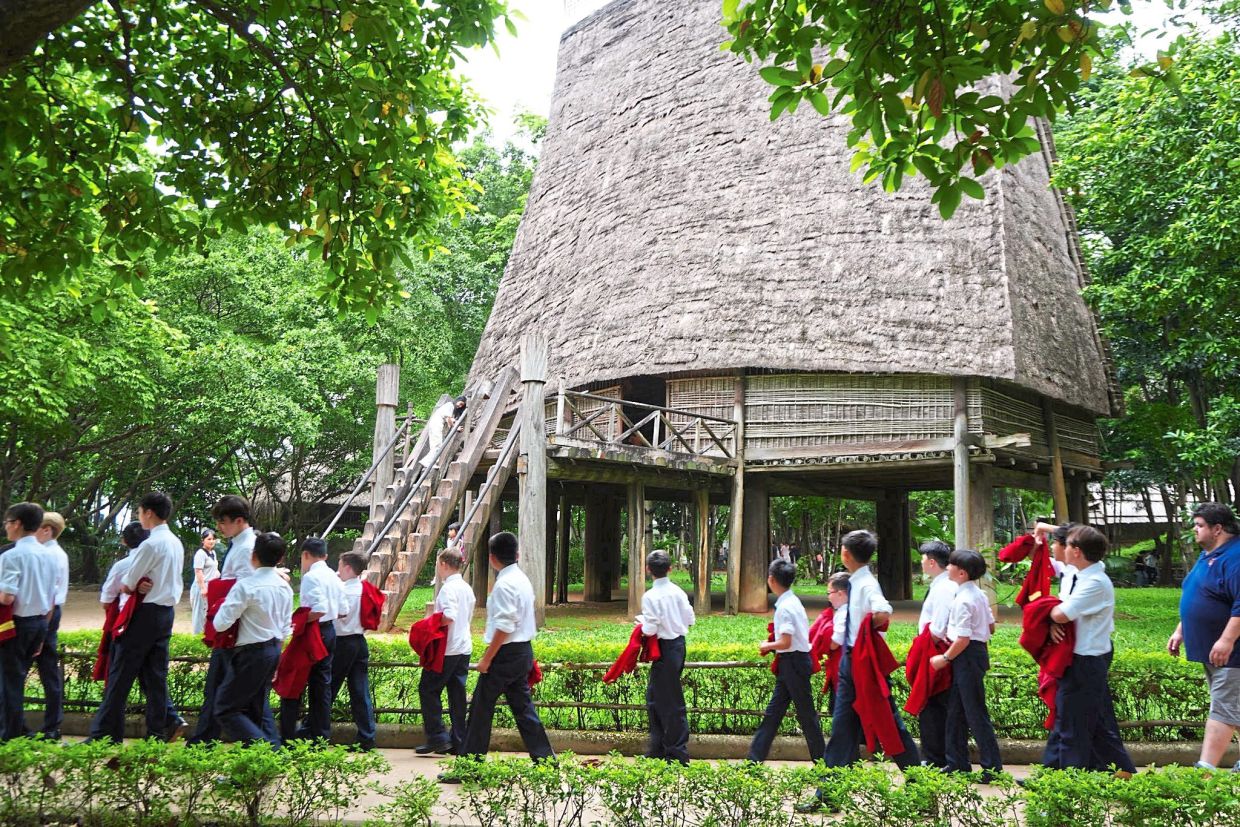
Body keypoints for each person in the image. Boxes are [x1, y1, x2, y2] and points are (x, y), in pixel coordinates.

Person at [443, 532, 553, 780]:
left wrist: (487, 659)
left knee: (480, 710)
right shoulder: (522, 579)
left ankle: (469, 768)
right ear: (517, 555)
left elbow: (505, 626)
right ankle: (546, 762)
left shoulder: (504, 584)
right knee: (523, 709)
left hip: (505, 654)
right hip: (522, 651)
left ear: (492, 558)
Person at [87, 492, 185, 743]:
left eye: (140, 512)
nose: (139, 517)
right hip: (165, 613)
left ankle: (105, 734)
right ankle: (155, 734)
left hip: (143, 615)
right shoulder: (175, 542)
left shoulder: (150, 544)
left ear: (148, 512)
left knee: (120, 675)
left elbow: (128, 584)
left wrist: (131, 586)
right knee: (155, 677)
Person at [823, 530, 920, 767]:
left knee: (888, 719)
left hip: (862, 660)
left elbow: (883, 611)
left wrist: (866, 631)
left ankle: (919, 782)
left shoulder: (866, 584)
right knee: (842, 726)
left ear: (845, 553)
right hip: (851, 659)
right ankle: (827, 791)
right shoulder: (856, 581)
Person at [1043, 525, 1135, 774]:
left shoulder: (1095, 582)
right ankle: (1054, 772)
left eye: (1067, 543)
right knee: (1083, 719)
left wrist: (1045, 612)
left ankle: (1070, 784)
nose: (1060, 546)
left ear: (1077, 551)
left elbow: (1061, 614)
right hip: (1077, 657)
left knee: (1075, 725)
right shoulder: (1077, 572)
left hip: (1086, 660)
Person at [1168, 503, 1240, 770]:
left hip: (1233, 652)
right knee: (1233, 706)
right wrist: (1181, 629)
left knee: (1222, 708)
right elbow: (1200, 593)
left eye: (1199, 525)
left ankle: (1205, 768)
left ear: (1217, 528)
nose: (1194, 530)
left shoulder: (1235, 557)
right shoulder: (1209, 554)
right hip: (1210, 649)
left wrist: (1227, 639)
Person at [188, 495, 258, 745]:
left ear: (239, 521)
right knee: (225, 692)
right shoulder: (240, 544)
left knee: (222, 694)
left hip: (235, 629)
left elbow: (246, 590)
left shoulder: (246, 548)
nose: (219, 527)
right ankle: (204, 740)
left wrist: (222, 619)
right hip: (233, 629)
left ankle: (204, 742)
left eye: (223, 522)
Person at [212, 532, 293, 747]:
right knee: (257, 707)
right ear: (280, 559)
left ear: (253, 556)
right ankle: (265, 760)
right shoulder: (284, 587)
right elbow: (286, 626)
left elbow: (220, 623)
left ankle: (267, 752)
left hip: (251, 653)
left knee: (225, 708)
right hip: (273, 649)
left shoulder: (246, 586)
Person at [931, 549, 1002, 779]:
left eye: (951, 564)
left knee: (975, 713)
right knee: (957, 711)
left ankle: (992, 768)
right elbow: (990, 627)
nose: (947, 567)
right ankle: (956, 762)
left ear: (961, 573)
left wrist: (945, 658)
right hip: (975, 654)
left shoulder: (963, 599)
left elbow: (962, 638)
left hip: (966, 655)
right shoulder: (979, 594)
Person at [747, 558, 824, 764]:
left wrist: (767, 645)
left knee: (806, 718)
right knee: (773, 715)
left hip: (793, 662)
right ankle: (753, 761)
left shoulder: (784, 607)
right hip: (792, 663)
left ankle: (825, 767)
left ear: (771, 580)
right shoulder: (792, 601)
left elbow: (786, 641)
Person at [0, 502, 60, 740]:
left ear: (17, 524)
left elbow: (6, 597)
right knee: (14, 680)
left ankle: (9, 738)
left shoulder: (12, 556)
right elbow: (52, 599)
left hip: (15, 625)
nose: (6, 528)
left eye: (7, 523)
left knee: (9, 684)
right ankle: (15, 732)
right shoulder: (49, 555)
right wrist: (43, 631)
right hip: (40, 623)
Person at [280, 537, 344, 742]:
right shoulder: (335, 576)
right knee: (322, 685)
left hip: (314, 631)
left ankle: (290, 735)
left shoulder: (311, 576)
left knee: (295, 681)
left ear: (306, 555)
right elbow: (343, 610)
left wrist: (299, 620)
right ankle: (320, 735)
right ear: (325, 555)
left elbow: (318, 609)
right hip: (330, 630)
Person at [638, 549, 696, 764]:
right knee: (654, 696)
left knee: (671, 701)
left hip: (664, 648)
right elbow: (690, 619)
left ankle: (677, 752)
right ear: (670, 569)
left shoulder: (650, 596)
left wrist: (641, 627)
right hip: (678, 646)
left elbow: (651, 629)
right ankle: (658, 747)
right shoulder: (678, 592)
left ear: (647, 570)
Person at [417, 547, 476, 755]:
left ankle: (437, 736)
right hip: (463, 646)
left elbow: (449, 615)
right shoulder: (466, 588)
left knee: (427, 689)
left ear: (443, 564)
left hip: (448, 649)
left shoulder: (448, 589)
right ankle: (458, 740)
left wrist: (430, 623)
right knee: (456, 695)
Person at [913, 539, 956, 769]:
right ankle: (936, 756)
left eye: (922, 560)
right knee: (936, 707)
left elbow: (938, 628)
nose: (920, 564)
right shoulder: (942, 585)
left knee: (933, 707)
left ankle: (934, 758)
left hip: (936, 650)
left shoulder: (943, 588)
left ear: (931, 562)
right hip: (934, 648)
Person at [331, 552, 378, 750]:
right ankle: (367, 736)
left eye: (340, 566)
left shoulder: (342, 590)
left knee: (329, 688)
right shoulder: (364, 588)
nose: (338, 570)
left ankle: (314, 729)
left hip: (343, 642)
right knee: (360, 690)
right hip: (359, 641)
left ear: (348, 568)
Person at [33, 511, 70, 740]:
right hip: (49, 612)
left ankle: (52, 726)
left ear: (47, 530)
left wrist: (41, 631)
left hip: (46, 614)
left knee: (45, 670)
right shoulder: (52, 553)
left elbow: (49, 598)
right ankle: (52, 726)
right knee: (48, 671)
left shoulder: (50, 555)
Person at [421, 396, 465, 470]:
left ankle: (431, 462)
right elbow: (449, 420)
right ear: (458, 400)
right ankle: (427, 462)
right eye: (460, 403)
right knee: (437, 445)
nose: (459, 406)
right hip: (436, 425)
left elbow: (450, 420)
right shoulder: (450, 405)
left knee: (436, 445)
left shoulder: (448, 407)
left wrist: (454, 423)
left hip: (435, 425)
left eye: (461, 406)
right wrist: (456, 428)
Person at [191, 529, 221, 635]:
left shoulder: (213, 553)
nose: (211, 541)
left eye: (213, 539)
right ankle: (196, 637)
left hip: (211, 586)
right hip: (201, 586)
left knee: (207, 613)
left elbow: (215, 569)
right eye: (209, 539)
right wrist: (203, 588)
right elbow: (198, 571)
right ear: (203, 540)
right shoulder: (200, 554)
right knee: (199, 614)